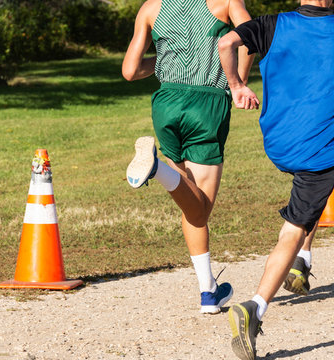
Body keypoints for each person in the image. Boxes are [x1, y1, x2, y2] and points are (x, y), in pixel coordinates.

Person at [217, 0, 334, 358]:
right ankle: (254, 307)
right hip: (320, 146)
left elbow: (225, 43)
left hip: (278, 141)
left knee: (311, 193)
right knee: (298, 220)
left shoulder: (271, 24)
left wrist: (237, 84)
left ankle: (301, 263)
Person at [122, 0, 254, 314]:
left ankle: (209, 291)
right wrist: (238, 83)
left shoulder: (150, 8)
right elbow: (252, 37)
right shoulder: (226, 1)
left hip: (165, 101)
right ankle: (156, 169)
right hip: (206, 102)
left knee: (189, 197)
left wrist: (168, 62)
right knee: (201, 207)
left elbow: (129, 70)